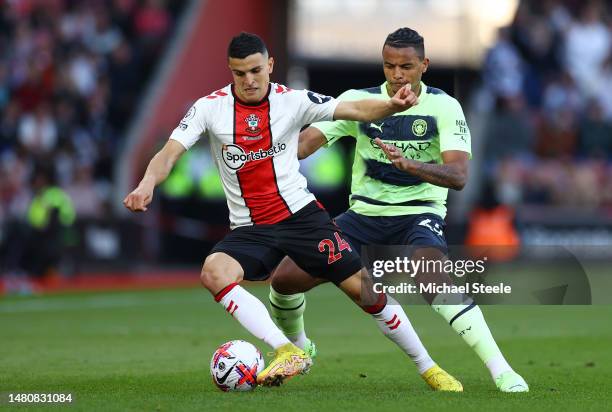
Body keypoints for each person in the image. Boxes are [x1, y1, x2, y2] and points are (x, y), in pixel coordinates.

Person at [124, 32, 461, 389]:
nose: (249, 80)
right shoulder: (209, 107)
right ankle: (288, 350)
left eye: (256, 70)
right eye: (240, 74)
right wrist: (147, 183)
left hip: (301, 217)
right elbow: (169, 152)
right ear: (230, 72)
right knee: (214, 273)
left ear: (270, 65)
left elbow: (354, 108)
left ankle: (429, 368)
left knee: (367, 291)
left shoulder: (294, 100)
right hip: (250, 227)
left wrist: (392, 105)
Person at [268, 28, 529, 392]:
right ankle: (300, 348)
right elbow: (302, 146)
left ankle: (502, 369)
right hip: (362, 218)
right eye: (390, 66)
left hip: (418, 214)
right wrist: (260, 148)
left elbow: (458, 176)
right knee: (283, 279)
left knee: (432, 279)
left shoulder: (444, 106)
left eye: (406, 66)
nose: (397, 75)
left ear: (424, 65)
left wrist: (412, 166)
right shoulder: (359, 102)